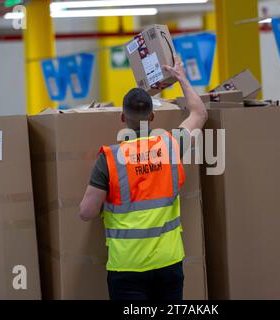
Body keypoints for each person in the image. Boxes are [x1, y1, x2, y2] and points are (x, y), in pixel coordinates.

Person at [79, 57, 207, 300]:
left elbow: (86, 212)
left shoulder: (110, 159)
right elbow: (199, 113)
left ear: (122, 118)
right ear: (151, 118)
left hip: (127, 268)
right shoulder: (171, 145)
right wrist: (181, 78)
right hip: (168, 264)